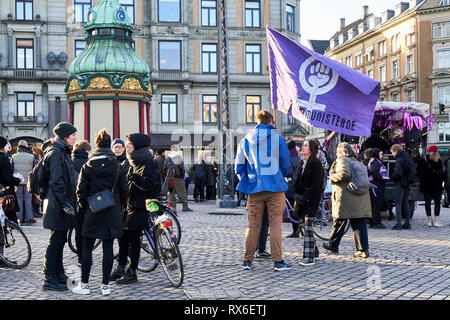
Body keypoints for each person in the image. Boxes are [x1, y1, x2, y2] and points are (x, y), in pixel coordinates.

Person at [73, 129, 128, 295]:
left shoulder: (87, 166)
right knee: (108, 247)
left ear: (96, 144)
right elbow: (124, 191)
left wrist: (85, 207)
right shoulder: (116, 166)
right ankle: (105, 286)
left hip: (92, 210)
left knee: (87, 247)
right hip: (112, 210)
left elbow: (80, 192)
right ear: (109, 144)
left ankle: (84, 285)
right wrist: (121, 207)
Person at [235, 110, 292, 271]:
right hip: (275, 186)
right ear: (271, 121)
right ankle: (278, 261)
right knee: (275, 224)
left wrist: (247, 180)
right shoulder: (277, 138)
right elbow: (285, 163)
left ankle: (247, 260)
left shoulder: (245, 140)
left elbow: (238, 166)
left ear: (257, 121)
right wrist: (281, 175)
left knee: (253, 225)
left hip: (254, 187)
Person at [110, 133, 160, 284]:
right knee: (122, 238)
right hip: (127, 205)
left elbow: (152, 188)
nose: (126, 147)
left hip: (140, 206)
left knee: (133, 239)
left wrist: (137, 179)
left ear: (137, 146)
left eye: (129, 145)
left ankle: (132, 272)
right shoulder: (132, 161)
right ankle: (120, 267)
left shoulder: (148, 162)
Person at [42, 122, 78, 291]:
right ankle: (49, 277)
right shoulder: (56, 153)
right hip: (57, 204)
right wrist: (65, 203)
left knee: (61, 239)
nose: (75, 138)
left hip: (62, 203)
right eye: (72, 136)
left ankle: (59, 272)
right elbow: (56, 181)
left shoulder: (62, 151)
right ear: (64, 137)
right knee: (55, 241)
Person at [323, 142, 371, 258]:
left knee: (339, 221)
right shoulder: (356, 160)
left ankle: (333, 244)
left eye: (338, 151)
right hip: (358, 197)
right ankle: (363, 250)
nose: (336, 154)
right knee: (358, 223)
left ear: (343, 152)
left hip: (346, 197)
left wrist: (332, 178)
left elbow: (344, 174)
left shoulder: (343, 160)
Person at [294, 140, 324, 266]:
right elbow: (297, 180)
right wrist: (296, 193)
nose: (303, 147)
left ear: (311, 149)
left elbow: (316, 185)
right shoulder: (302, 162)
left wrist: (305, 196)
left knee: (307, 225)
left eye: (305, 145)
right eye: (303, 145)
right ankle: (315, 252)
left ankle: (308, 257)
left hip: (312, 198)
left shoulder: (316, 163)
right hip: (302, 198)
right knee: (305, 227)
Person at [71, 140, 91, 266]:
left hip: (74, 200)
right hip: (87, 200)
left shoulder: (70, 161)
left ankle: (80, 257)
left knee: (78, 230)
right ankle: (86, 255)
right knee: (87, 229)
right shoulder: (88, 163)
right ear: (85, 151)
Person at [417, 145, 445, 227]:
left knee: (427, 203)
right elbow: (442, 175)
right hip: (437, 186)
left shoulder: (421, 161)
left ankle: (429, 220)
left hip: (426, 186)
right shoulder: (439, 161)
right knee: (437, 203)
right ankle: (436, 220)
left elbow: (418, 173)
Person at [12, 140, 37, 226]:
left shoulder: (13, 156)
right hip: (28, 182)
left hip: (17, 181)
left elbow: (11, 168)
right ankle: (29, 218)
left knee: (18, 199)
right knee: (28, 199)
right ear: (26, 147)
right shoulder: (31, 156)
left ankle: (19, 219)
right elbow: (35, 169)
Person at [390, 144, 413, 230]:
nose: (392, 155)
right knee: (405, 203)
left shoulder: (399, 160)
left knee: (398, 203)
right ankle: (407, 223)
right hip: (407, 183)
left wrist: (393, 176)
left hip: (400, 183)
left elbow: (398, 174)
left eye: (392, 152)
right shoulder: (408, 159)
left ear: (395, 151)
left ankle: (398, 224)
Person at [165, 145, 192, 211]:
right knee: (182, 192)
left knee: (171, 193)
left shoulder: (167, 158)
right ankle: (185, 206)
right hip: (178, 178)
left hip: (170, 178)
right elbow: (182, 168)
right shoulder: (178, 157)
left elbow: (164, 168)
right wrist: (182, 176)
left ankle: (172, 207)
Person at [367, 148, 388, 229]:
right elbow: (374, 171)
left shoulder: (373, 161)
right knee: (376, 204)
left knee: (374, 204)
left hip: (375, 184)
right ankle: (376, 222)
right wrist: (381, 178)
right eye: (381, 154)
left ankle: (373, 221)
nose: (382, 156)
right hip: (376, 185)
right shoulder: (375, 162)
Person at [285, 140, 302, 238]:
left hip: (291, 187)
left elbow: (288, 172)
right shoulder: (299, 158)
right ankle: (300, 228)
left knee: (291, 209)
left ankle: (295, 230)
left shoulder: (289, 159)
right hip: (299, 186)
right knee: (297, 208)